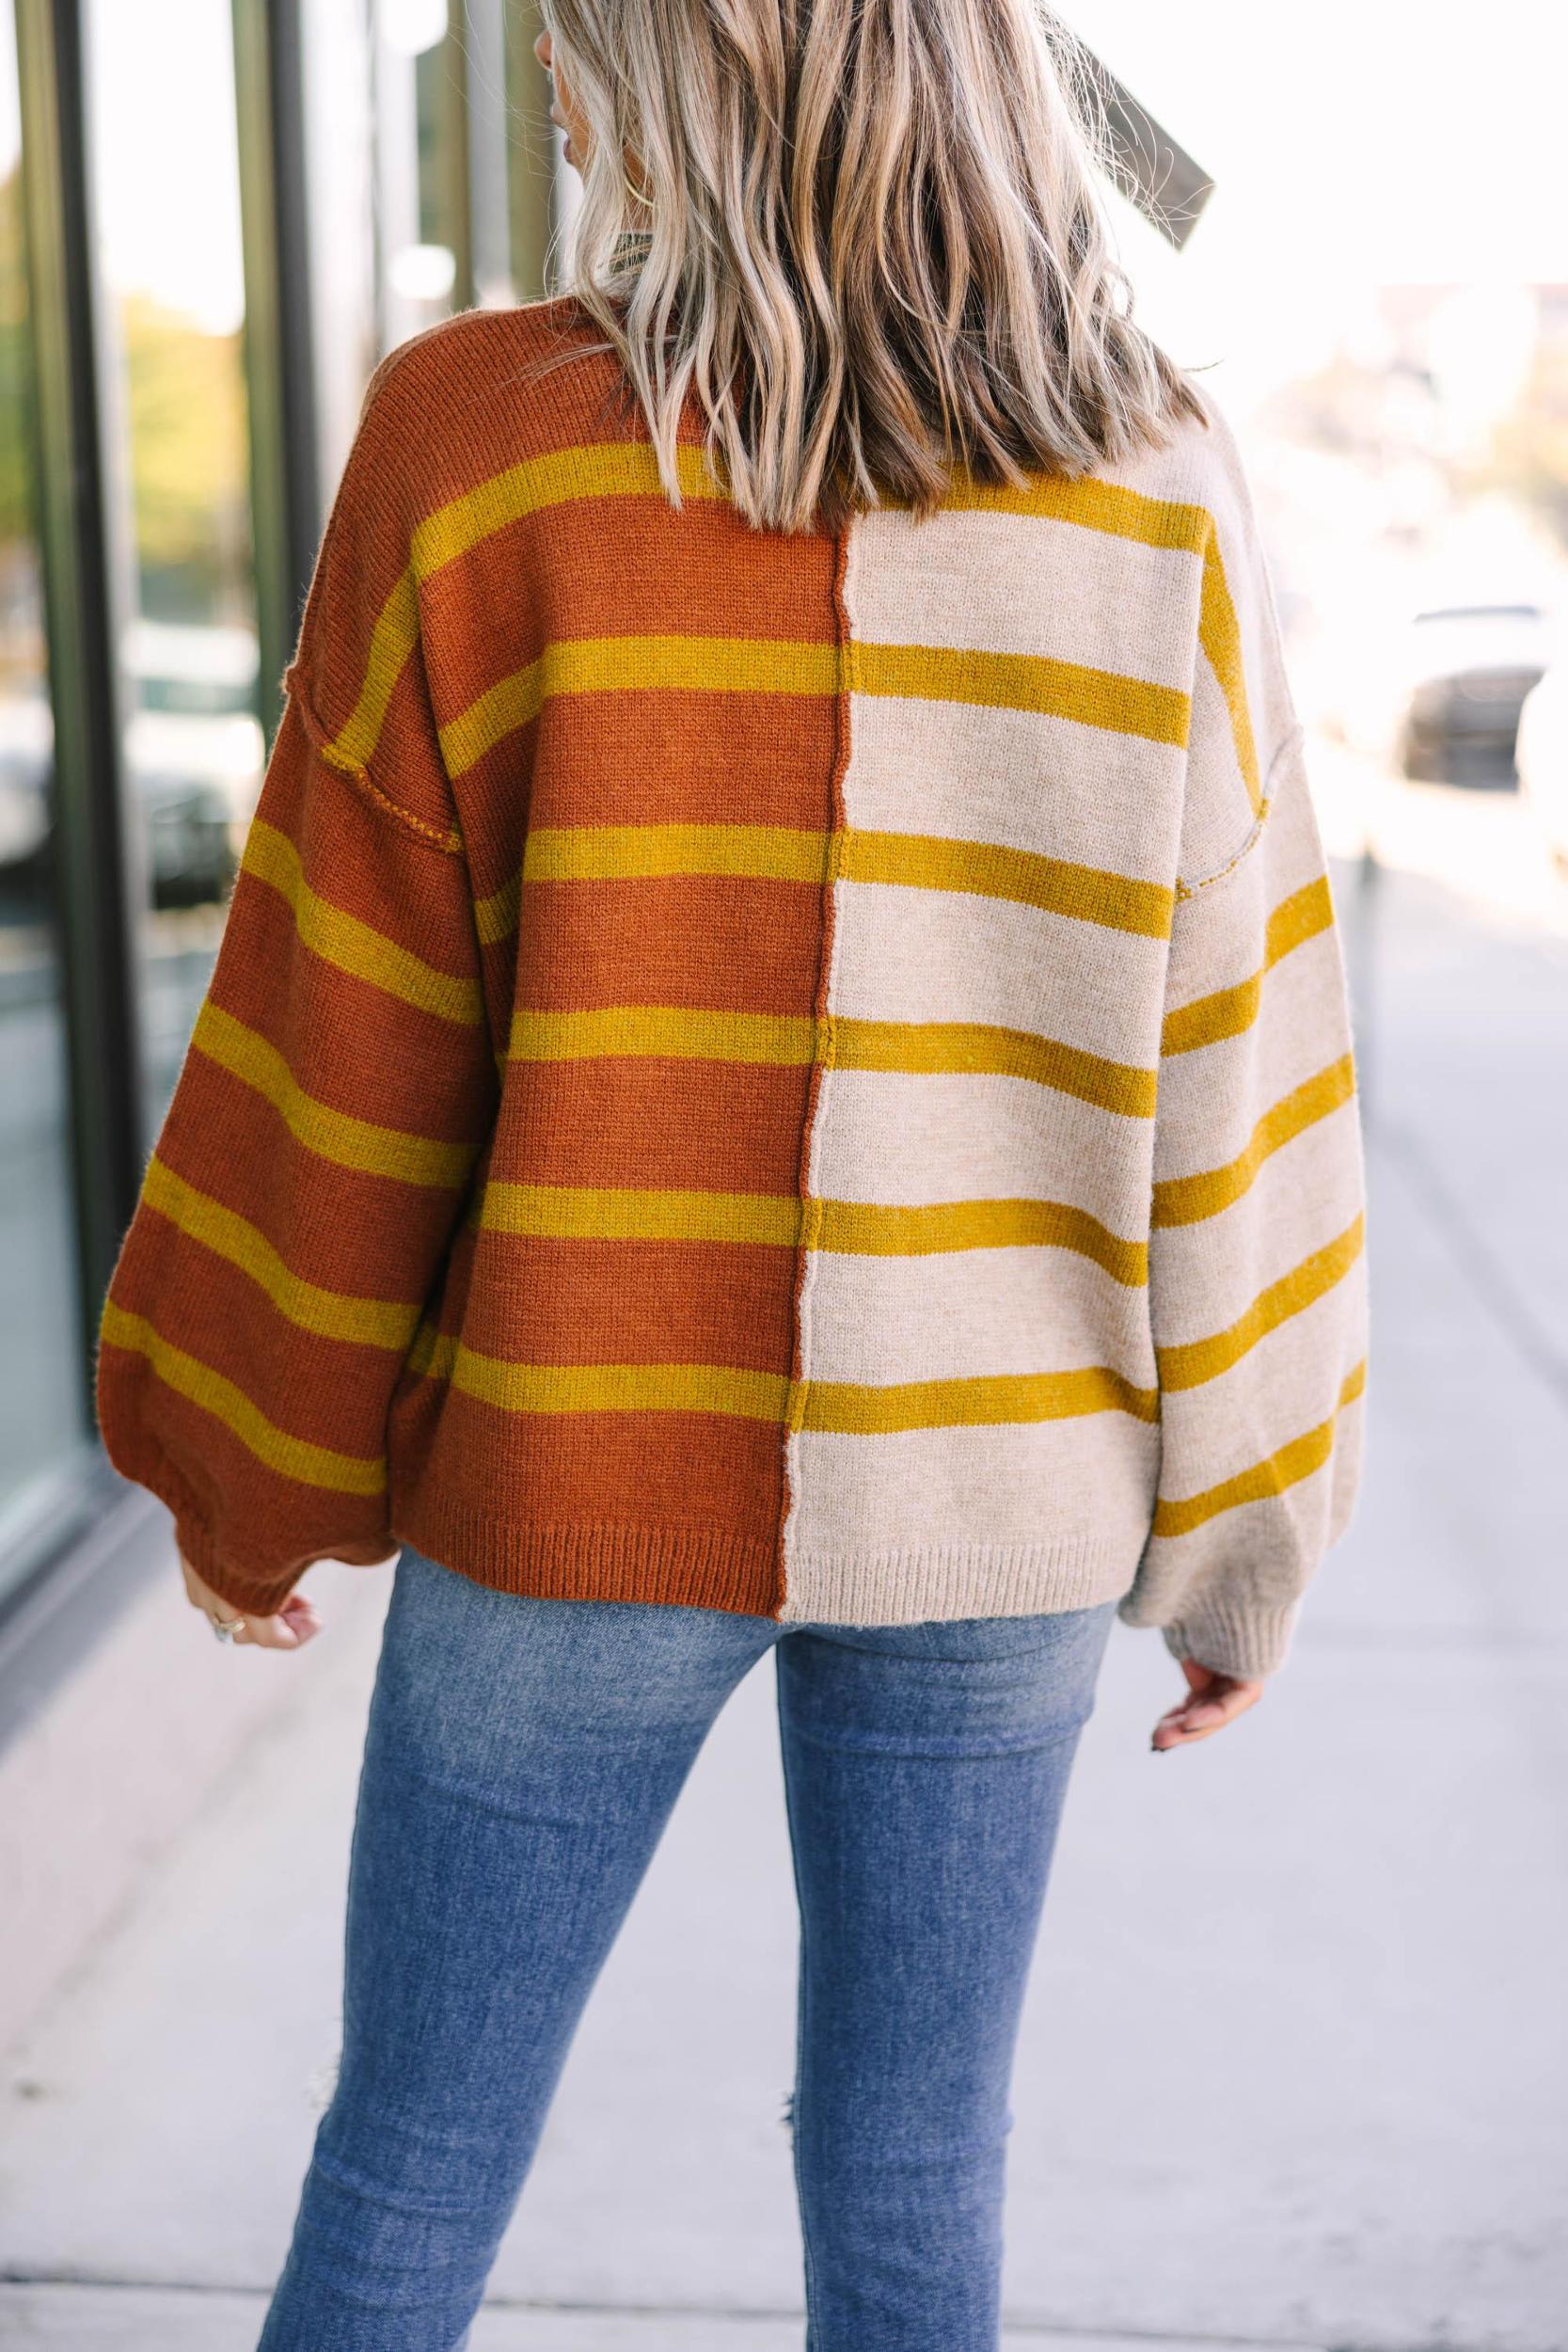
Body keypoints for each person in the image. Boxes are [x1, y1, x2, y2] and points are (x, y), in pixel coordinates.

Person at [94, 0, 1367, 2344]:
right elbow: (1240, 1040)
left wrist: (243, 1451)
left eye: (575, 41)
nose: (555, 86)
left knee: (408, 2162)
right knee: (915, 2163)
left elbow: (342, 1024)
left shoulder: (475, 439)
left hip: (571, 1473)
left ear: (664, 80)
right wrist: (1247, 1517)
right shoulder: (1156, 472)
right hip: (1000, 1489)